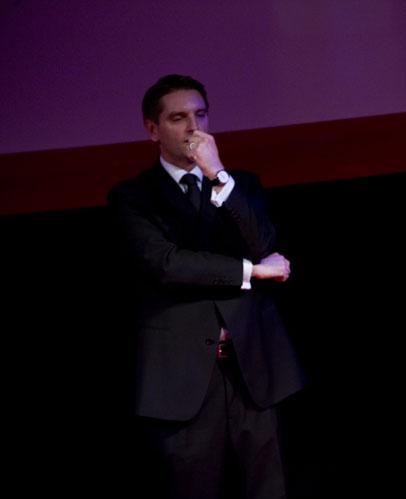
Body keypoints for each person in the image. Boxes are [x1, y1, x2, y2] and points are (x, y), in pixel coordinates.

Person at [109, 74, 305, 498]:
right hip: (182, 375)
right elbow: (167, 263)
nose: (193, 128)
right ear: (152, 129)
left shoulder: (240, 185)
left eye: (200, 115)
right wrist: (252, 271)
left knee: (270, 487)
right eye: (178, 118)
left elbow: (264, 242)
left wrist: (217, 174)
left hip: (252, 367)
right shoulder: (133, 197)